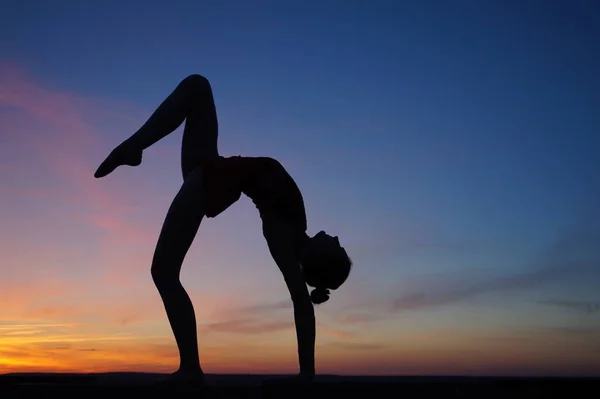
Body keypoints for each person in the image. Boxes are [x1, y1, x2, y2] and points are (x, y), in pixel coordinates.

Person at [94, 74, 352, 385]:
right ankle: (134, 146)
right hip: (208, 165)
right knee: (197, 86)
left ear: (320, 262)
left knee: (163, 272)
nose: (337, 239)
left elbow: (301, 303)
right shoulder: (297, 225)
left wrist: (307, 375)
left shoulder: (285, 238)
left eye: (338, 248)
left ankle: (190, 368)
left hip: (208, 182)